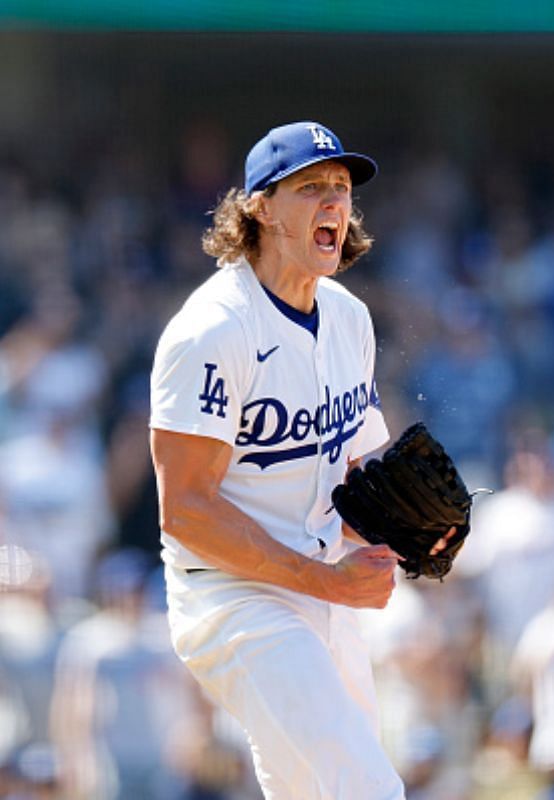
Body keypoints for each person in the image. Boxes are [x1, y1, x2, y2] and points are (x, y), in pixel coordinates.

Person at [150, 121, 451, 799]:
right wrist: (329, 584)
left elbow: (361, 470)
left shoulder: (347, 316)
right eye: (311, 186)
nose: (334, 204)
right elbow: (186, 512)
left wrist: (414, 525)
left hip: (320, 581)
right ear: (259, 206)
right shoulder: (213, 331)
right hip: (234, 596)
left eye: (341, 188)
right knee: (367, 788)